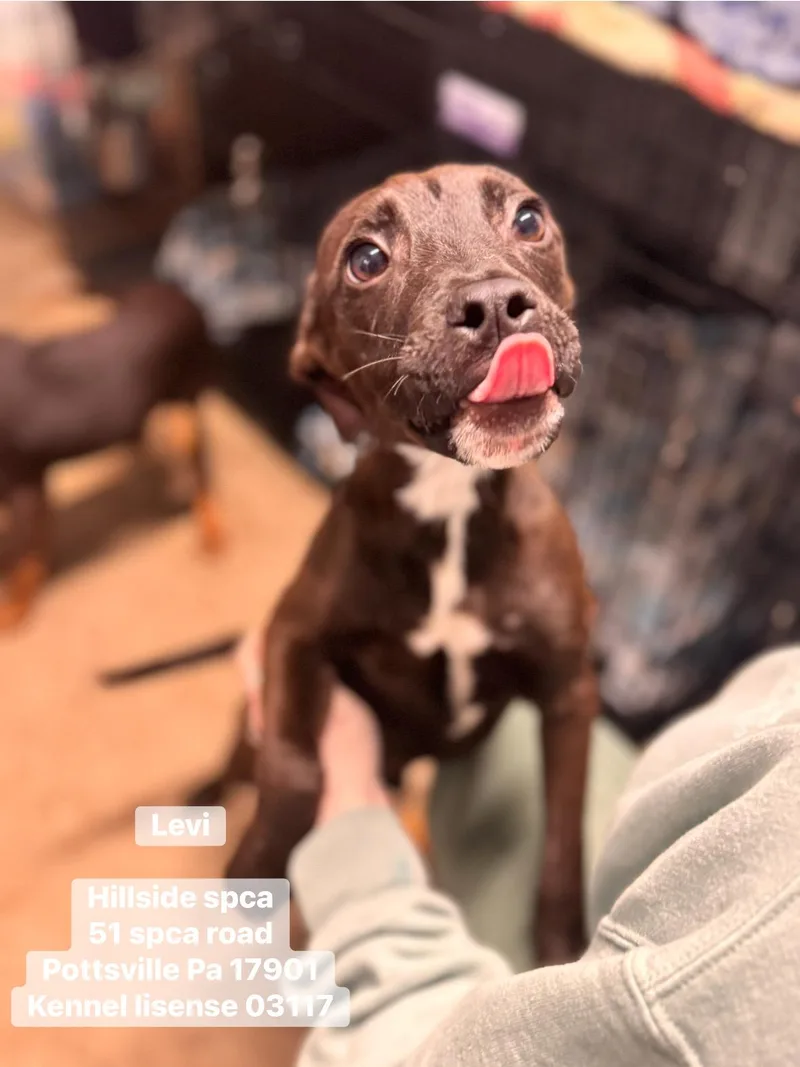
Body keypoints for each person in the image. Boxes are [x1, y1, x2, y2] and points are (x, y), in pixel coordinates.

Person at [285, 645, 800, 1066]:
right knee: (512, 728)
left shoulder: (738, 963)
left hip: (661, 969)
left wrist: (352, 827)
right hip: (664, 831)